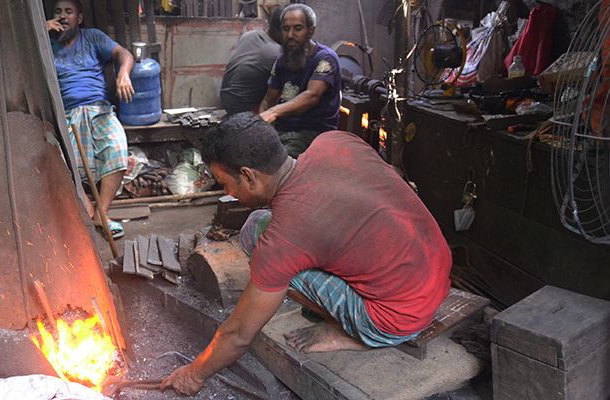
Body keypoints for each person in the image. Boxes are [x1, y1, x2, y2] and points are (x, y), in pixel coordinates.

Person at [161, 112, 452, 396]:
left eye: (225, 184)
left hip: (397, 318)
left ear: (249, 176)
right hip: (437, 271)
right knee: (268, 232)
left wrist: (194, 373)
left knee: (255, 234)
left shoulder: (284, 240)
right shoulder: (335, 141)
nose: (228, 192)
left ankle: (350, 333)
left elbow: (238, 334)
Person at [47, 0, 134, 239]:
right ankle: (87, 210)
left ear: (79, 18)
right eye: (58, 12)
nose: (63, 16)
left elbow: (123, 54)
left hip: (99, 109)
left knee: (117, 149)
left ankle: (101, 213)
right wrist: (40, 34)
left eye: (68, 12)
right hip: (68, 115)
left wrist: (123, 73)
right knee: (67, 165)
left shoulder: (92, 37)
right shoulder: (46, 45)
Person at [259, 4, 341, 158]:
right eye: (285, 28)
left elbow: (312, 96)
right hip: (283, 130)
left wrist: (273, 112)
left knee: (277, 164)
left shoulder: (325, 58)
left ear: (311, 31)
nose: (290, 35)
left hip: (312, 134)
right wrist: (259, 127)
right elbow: (268, 99)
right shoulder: (283, 60)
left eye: (297, 28)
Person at [219, 7, 283, 114]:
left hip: (225, 99)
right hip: (245, 108)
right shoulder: (276, 53)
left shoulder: (249, 35)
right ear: (282, 29)